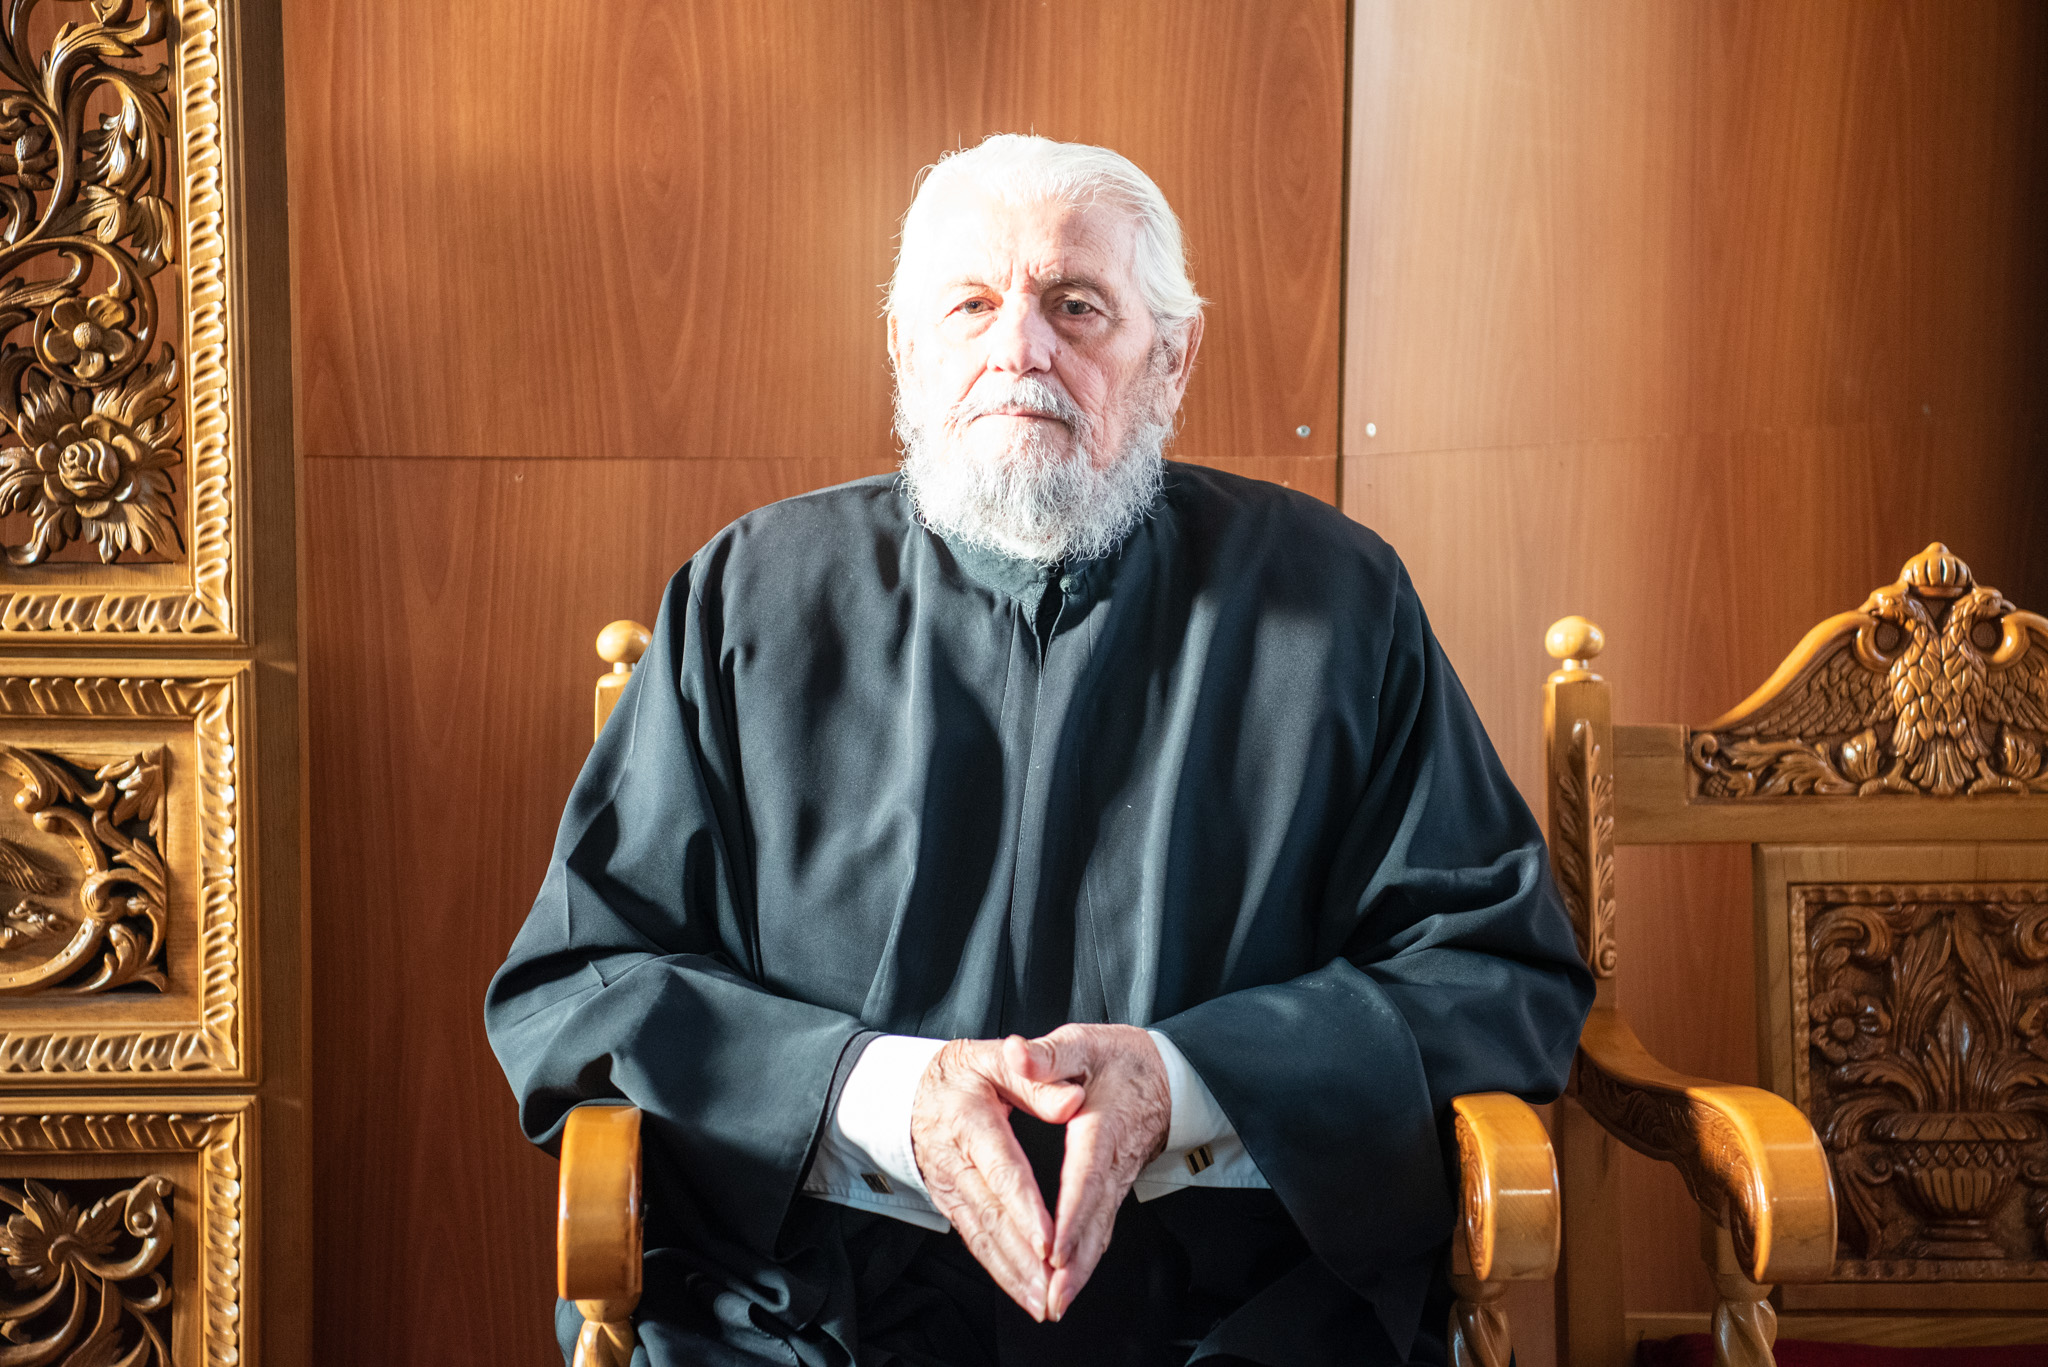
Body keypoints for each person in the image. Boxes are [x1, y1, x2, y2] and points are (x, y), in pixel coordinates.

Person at [486, 134, 1592, 1367]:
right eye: (970, 303)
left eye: (1075, 304)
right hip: (816, 1304)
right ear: (905, 350)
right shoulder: (746, 598)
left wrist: (1188, 1079)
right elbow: (581, 982)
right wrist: (877, 1092)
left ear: (1171, 357)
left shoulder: (1337, 602)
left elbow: (1496, 975)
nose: (1018, 347)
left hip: (1231, 1312)